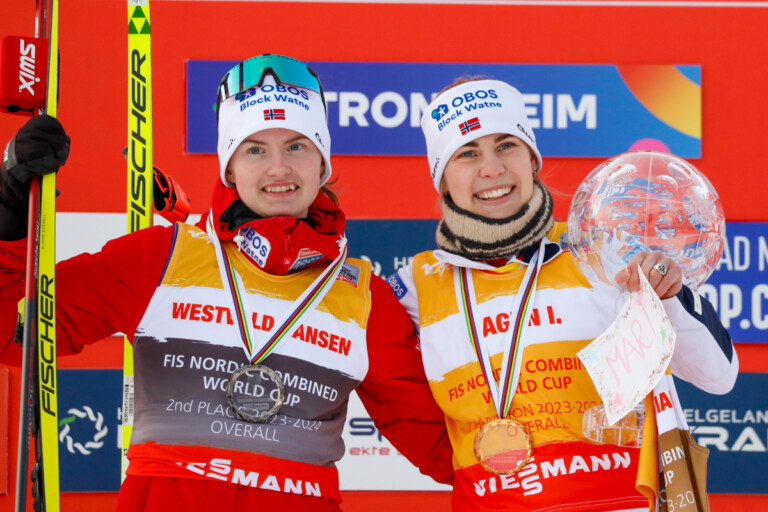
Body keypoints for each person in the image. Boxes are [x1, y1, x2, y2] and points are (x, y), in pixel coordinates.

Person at [0, 54, 453, 511]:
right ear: (229, 168)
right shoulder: (160, 257)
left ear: (323, 163)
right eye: (255, 149)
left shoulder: (364, 298)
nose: (279, 168)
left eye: (297, 146)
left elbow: (445, 450)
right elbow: (13, 334)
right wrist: (9, 214)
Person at [387, 78, 738, 512]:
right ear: (441, 179)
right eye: (467, 153)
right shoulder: (415, 287)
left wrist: (667, 295)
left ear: (532, 158)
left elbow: (719, 376)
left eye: (506, 146)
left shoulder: (602, 251)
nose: (492, 168)